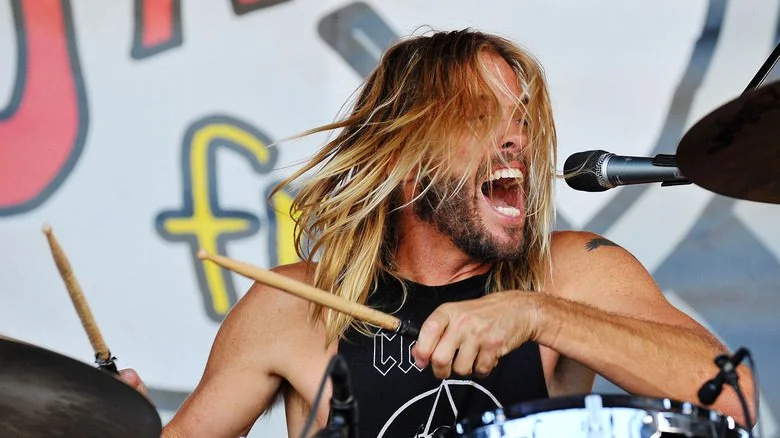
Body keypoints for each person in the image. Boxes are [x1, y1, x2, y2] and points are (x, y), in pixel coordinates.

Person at [121, 28, 755, 437]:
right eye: (482, 117)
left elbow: (734, 400)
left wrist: (540, 315)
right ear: (405, 159)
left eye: (524, 121)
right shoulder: (290, 306)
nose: (518, 140)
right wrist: (101, 416)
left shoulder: (570, 273)